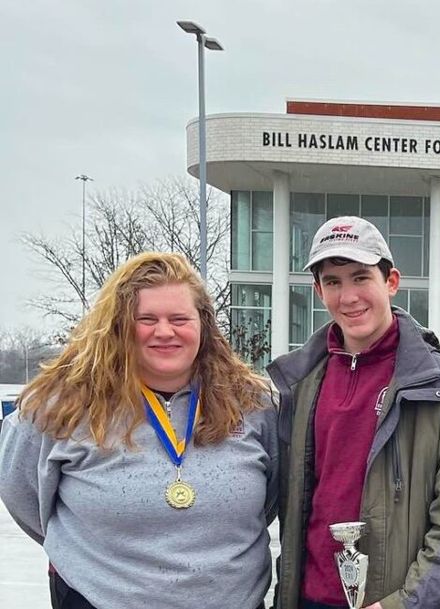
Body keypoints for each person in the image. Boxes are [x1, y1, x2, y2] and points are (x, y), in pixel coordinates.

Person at [0, 252, 277, 609]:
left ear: (204, 325)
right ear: (118, 326)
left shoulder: (255, 404)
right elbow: (22, 494)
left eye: (180, 318)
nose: (164, 331)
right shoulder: (58, 406)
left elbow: (270, 498)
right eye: (146, 319)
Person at [268, 216, 440, 609]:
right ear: (318, 291)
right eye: (333, 282)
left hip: (399, 602)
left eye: (360, 277)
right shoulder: (297, 384)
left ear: (391, 281)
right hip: (312, 598)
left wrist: (403, 604)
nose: (348, 296)